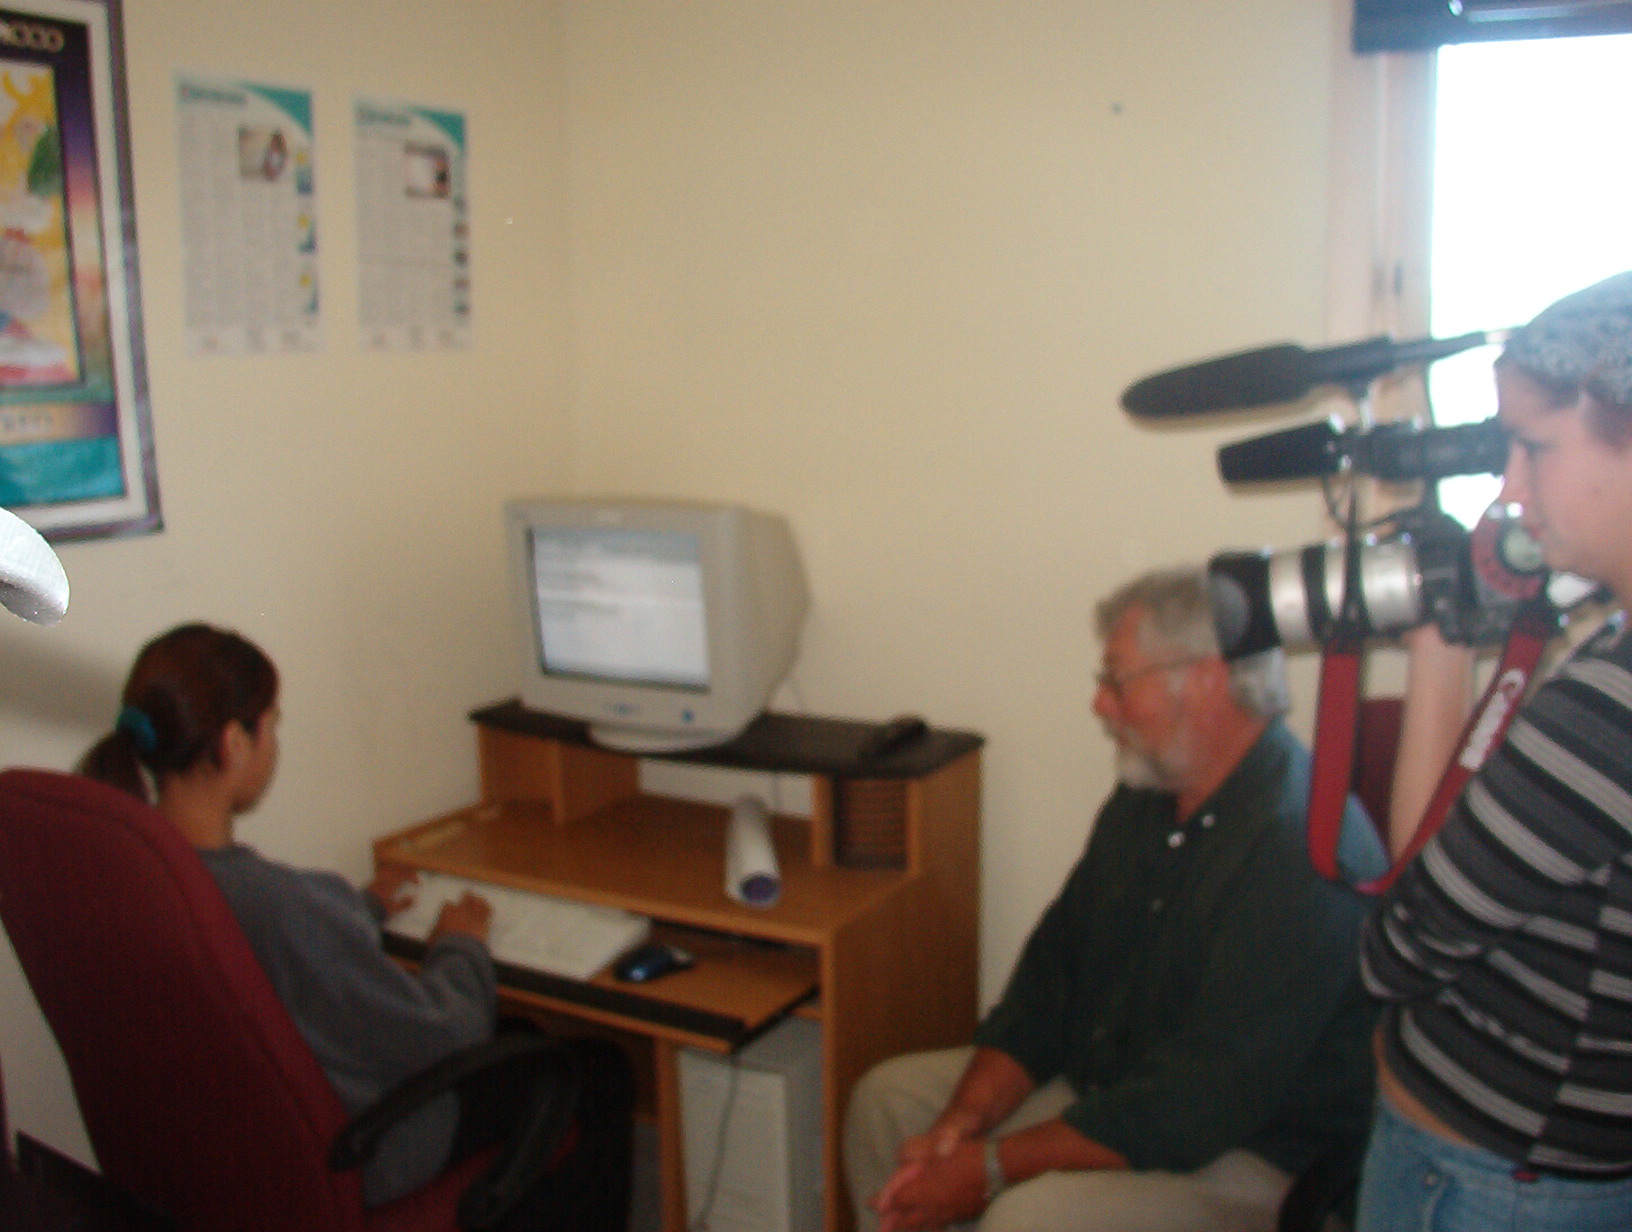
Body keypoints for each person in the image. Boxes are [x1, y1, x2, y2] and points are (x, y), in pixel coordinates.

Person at [843, 567, 1386, 1232]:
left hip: (1250, 1156)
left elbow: (1195, 1106)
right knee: (888, 1103)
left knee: (1030, 1219)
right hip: (1120, 1094)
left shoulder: (1302, 849)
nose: (1100, 704)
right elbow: (1051, 980)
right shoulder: (1149, 794)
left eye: (1116, 680)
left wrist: (986, 1167)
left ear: (1208, 681)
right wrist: (959, 1127)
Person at [79, 623, 632, 1228]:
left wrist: (357, 909)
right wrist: (459, 945)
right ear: (236, 743)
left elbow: (282, 946)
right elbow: (446, 1035)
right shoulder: (275, 903)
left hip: (219, 1157)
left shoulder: (132, 870)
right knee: (596, 1068)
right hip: (360, 1146)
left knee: (524, 1031)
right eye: (272, 721)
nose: (274, 739)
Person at [1356, 271, 1632, 1231]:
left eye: (1534, 446)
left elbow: (1398, 945)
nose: (1509, 488)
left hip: (1490, 1181)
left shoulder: (1612, 708)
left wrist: (1439, 648)